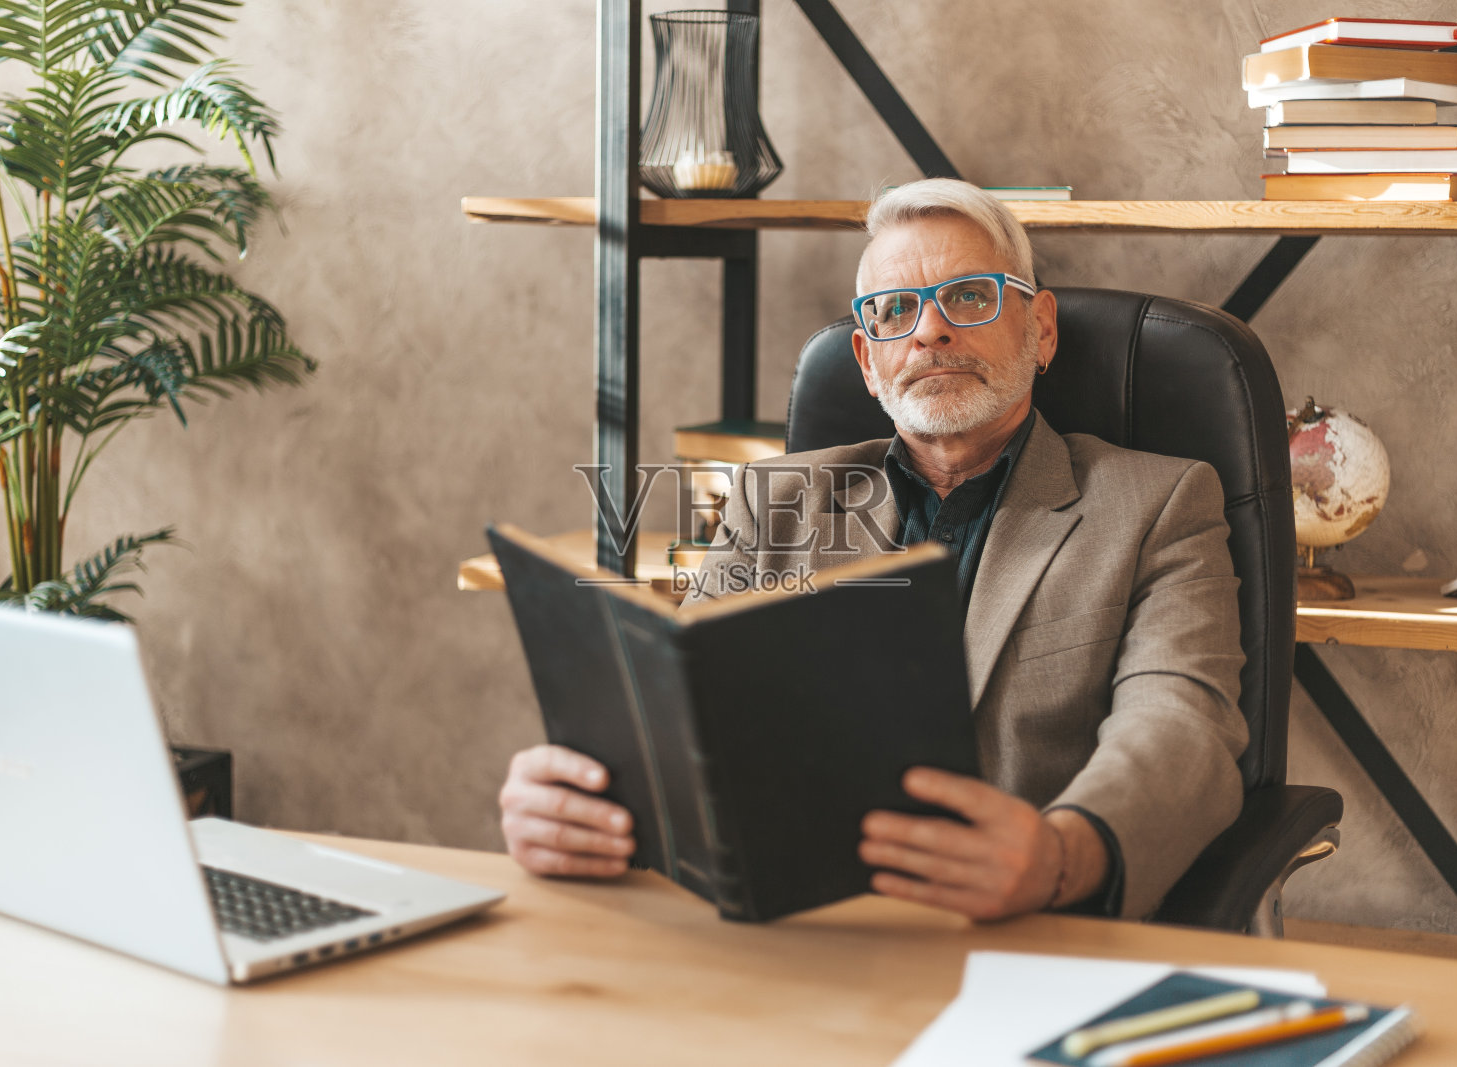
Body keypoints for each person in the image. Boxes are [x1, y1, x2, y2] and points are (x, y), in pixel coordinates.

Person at [499, 179, 1247, 920]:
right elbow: (684, 712)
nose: (930, 332)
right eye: (895, 311)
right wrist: (584, 799)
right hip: (800, 923)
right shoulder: (771, 501)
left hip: (1031, 927)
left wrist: (1059, 856)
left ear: (1040, 329)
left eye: (970, 297)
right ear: (866, 358)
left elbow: (1180, 725)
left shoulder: (1159, 504)